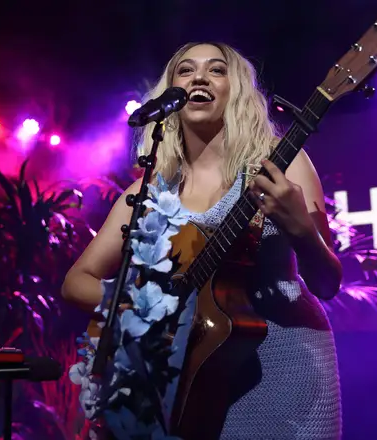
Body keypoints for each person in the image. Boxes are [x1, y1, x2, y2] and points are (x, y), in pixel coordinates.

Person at [62, 42, 343, 439]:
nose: (198, 77)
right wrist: (147, 308)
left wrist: (301, 228)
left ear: (237, 91)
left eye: (216, 70)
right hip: (186, 379)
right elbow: (77, 281)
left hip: (283, 366)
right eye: (185, 70)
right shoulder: (147, 191)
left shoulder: (280, 162)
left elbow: (327, 283)